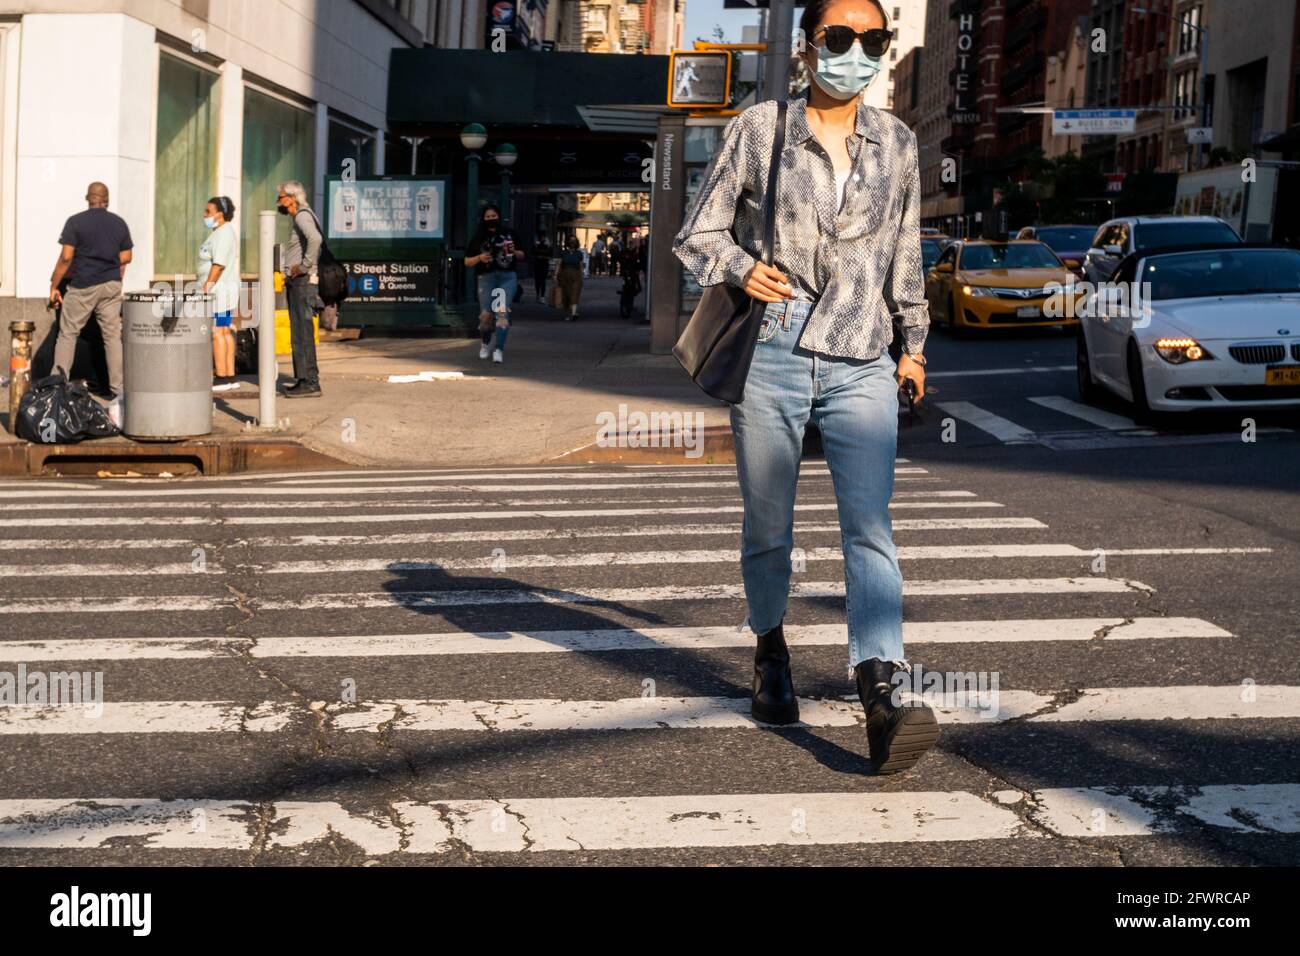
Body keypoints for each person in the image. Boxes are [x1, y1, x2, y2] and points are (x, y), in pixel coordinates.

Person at [672, 0, 937, 775]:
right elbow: (699, 231)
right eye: (840, 37)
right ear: (808, 45)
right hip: (775, 353)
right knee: (769, 526)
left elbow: (907, 249)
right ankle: (769, 649)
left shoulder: (898, 141)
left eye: (873, 40)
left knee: (870, 526)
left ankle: (880, 689)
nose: (856, 52)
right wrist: (739, 268)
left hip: (862, 355)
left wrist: (913, 345)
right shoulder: (760, 129)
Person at [48, 181, 132, 419]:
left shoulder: (76, 222)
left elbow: (66, 257)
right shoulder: (118, 223)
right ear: (107, 199)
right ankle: (119, 391)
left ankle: (57, 387)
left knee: (68, 333)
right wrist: (107, 259)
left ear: (88, 198)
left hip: (84, 284)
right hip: (111, 285)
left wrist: (54, 286)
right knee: (111, 336)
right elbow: (127, 255)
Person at [276, 181, 323, 398]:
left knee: (302, 332)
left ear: (292, 198)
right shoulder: (302, 216)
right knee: (301, 331)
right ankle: (305, 379)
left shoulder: (302, 215)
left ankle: (309, 382)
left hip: (302, 282)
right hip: (300, 282)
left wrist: (303, 266)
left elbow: (315, 239)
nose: (279, 201)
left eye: (281, 197)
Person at [464, 204, 523, 363]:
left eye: (494, 216)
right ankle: (485, 344)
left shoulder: (509, 234)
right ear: (483, 219)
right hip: (486, 278)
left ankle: (499, 349)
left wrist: (514, 252)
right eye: (488, 217)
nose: (491, 219)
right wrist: (479, 258)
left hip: (506, 278)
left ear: (499, 216)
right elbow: (467, 261)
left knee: (502, 313)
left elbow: (522, 254)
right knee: (486, 316)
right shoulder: (478, 237)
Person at [199, 196, 240, 392]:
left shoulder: (223, 234)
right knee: (224, 331)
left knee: (217, 332)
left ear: (219, 214)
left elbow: (219, 264)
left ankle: (222, 378)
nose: (204, 215)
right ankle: (230, 376)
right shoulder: (221, 233)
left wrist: (207, 285)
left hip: (218, 292)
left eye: (208, 211)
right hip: (223, 290)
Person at [556, 236, 585, 321]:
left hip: (576, 275)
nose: (572, 242)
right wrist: (555, 274)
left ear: (576, 243)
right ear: (568, 242)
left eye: (574, 241)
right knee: (565, 295)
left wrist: (581, 274)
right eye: (570, 241)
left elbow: (581, 265)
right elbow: (559, 264)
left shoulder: (579, 253)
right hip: (564, 275)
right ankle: (568, 314)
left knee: (575, 293)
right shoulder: (564, 253)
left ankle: (573, 313)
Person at [532, 232, 553, 301]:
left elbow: (550, 254)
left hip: (544, 264)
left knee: (543, 281)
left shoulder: (547, 244)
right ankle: (538, 294)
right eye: (541, 237)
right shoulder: (536, 244)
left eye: (543, 237)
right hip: (537, 264)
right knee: (537, 281)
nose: (542, 238)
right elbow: (533, 252)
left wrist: (543, 255)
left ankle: (542, 296)